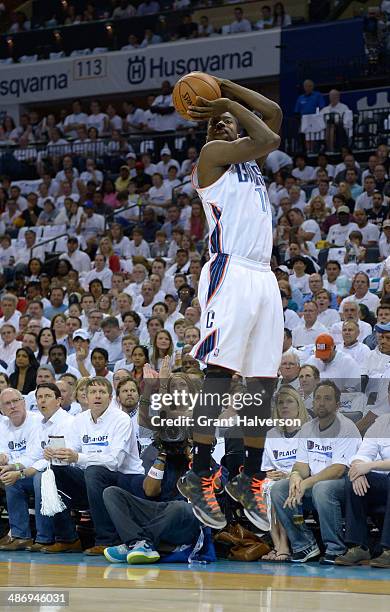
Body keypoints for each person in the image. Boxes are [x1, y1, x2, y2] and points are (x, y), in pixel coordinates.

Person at [176, 77, 284, 529]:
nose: (226, 123)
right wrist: (224, 106)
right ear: (209, 132)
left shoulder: (251, 163)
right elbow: (268, 135)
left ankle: (250, 477)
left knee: (262, 381)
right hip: (231, 270)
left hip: (263, 275)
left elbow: (272, 113)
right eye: (216, 122)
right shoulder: (212, 158)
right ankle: (200, 470)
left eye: (228, 120)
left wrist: (225, 89)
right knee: (219, 375)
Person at [38, 377, 144, 555]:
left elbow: (114, 462)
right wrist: (55, 454)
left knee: (94, 472)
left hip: (127, 477)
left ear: (110, 398)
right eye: (93, 392)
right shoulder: (79, 420)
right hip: (92, 480)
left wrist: (77, 457)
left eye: (102, 392)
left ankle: (106, 540)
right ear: (85, 397)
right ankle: (68, 539)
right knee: (55, 471)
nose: (97, 396)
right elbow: (71, 450)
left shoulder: (121, 419)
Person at [271, 380, 361, 564]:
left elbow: (338, 470)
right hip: (314, 482)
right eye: (318, 398)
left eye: (327, 399)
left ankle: (335, 548)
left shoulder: (346, 428)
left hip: (347, 484)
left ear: (337, 404)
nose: (321, 402)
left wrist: (305, 483)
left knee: (323, 489)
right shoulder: (307, 428)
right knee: (279, 489)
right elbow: (302, 465)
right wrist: (296, 477)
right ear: (312, 402)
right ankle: (304, 545)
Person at [261, 386, 310, 562]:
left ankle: (283, 545)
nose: (284, 406)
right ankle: (277, 544)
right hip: (278, 479)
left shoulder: (308, 430)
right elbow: (267, 468)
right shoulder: (271, 434)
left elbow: (311, 465)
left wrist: (289, 475)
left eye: (289, 401)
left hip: (301, 479)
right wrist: (271, 474)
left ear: (299, 405)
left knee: (278, 488)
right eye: (280, 402)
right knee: (267, 485)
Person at [335, 411, 390, 568]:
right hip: (385, 481)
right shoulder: (381, 423)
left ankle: (388, 549)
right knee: (353, 479)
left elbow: (369, 463)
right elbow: (363, 454)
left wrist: (371, 466)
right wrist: (358, 471)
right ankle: (359, 546)